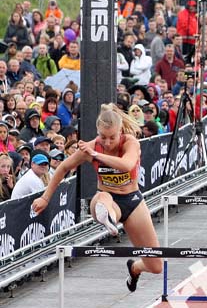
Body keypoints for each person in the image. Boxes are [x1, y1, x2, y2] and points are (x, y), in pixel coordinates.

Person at [31, 104, 162, 292]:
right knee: (103, 196)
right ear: (97, 132)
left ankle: (134, 267)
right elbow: (63, 167)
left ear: (120, 132)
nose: (107, 143)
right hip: (105, 198)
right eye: (103, 137)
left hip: (132, 201)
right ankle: (107, 216)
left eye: (112, 138)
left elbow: (126, 165)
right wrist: (45, 197)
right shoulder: (91, 147)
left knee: (156, 266)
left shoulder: (129, 142)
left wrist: (95, 155)